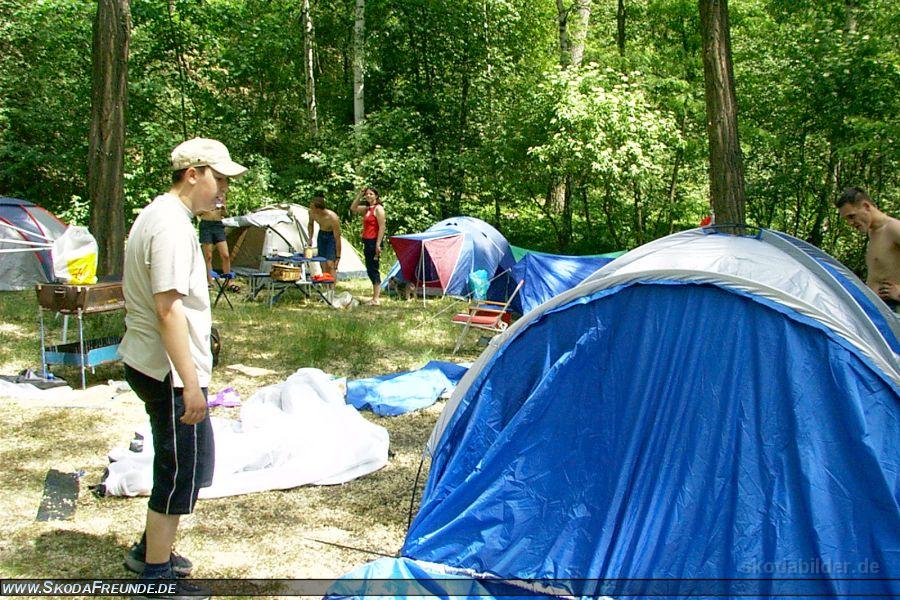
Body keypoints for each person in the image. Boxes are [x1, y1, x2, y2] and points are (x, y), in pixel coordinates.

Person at [118, 138, 246, 596]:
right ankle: (156, 575)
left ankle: (149, 548)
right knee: (178, 471)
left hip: (162, 364)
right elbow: (167, 309)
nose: (224, 190)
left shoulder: (162, 215)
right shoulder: (170, 225)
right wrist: (190, 384)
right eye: (219, 179)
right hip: (168, 371)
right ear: (193, 174)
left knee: (194, 463)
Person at [835, 187, 900, 309]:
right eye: (847, 219)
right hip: (877, 309)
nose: (850, 223)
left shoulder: (893, 229)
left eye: (852, 216)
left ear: (866, 206)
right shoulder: (873, 232)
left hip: (894, 311)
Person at [350, 186, 386, 305]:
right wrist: (360, 194)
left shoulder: (378, 209)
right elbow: (353, 208)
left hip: (374, 241)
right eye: (367, 194)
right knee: (369, 268)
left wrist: (378, 244)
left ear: (376, 196)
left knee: (373, 268)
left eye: (371, 194)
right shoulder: (367, 209)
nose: (368, 196)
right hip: (367, 240)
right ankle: (374, 297)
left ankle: (376, 298)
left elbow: (382, 227)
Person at [198, 197, 231, 288]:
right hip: (206, 225)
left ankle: (228, 281)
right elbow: (197, 212)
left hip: (218, 225)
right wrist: (207, 208)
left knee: (225, 255)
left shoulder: (221, 196)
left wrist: (223, 209)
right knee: (208, 256)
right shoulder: (204, 195)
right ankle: (210, 281)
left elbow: (225, 214)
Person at [307, 196, 342, 278]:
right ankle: (325, 282)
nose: (311, 209)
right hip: (321, 235)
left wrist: (338, 256)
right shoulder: (312, 213)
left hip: (331, 236)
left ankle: (332, 284)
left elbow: (337, 238)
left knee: (330, 263)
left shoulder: (332, 217)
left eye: (312, 208)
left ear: (318, 209)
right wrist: (310, 238)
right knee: (322, 261)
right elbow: (310, 224)